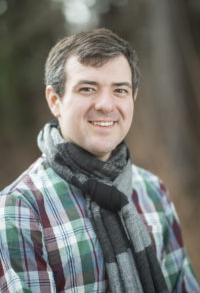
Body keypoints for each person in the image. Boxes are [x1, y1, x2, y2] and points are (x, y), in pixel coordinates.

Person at [0, 28, 199, 293]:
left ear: (133, 98)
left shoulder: (153, 191)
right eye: (87, 88)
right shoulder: (20, 207)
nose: (106, 104)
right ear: (55, 100)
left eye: (120, 90)